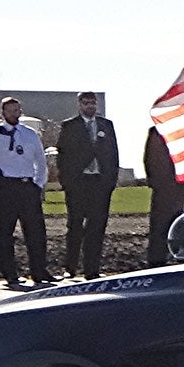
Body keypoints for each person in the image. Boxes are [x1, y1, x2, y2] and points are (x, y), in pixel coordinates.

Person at [0, 97, 53, 287]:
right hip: (5, 189)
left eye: (17, 110)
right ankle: (10, 275)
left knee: (36, 233)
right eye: (10, 110)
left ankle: (39, 272)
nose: (14, 113)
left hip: (27, 188)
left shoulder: (30, 134)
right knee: (5, 235)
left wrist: (38, 184)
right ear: (3, 113)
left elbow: (40, 162)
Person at [56, 90, 120, 278]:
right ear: (79, 105)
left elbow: (113, 154)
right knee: (75, 225)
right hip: (78, 183)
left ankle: (92, 269)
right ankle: (71, 267)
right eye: (85, 103)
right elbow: (63, 157)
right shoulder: (70, 126)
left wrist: (110, 181)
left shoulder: (106, 125)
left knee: (97, 226)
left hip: (99, 183)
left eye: (92, 103)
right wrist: (67, 181)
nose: (89, 106)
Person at [144, 125, 184, 268]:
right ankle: (156, 263)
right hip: (166, 193)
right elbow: (152, 161)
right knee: (161, 230)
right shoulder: (158, 133)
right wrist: (159, 185)